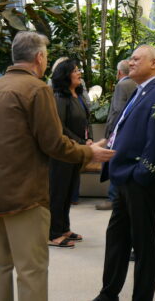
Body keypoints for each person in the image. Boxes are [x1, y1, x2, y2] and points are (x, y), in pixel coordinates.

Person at [0, 31, 114, 301]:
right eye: (46, 56)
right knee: (32, 270)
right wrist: (89, 153)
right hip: (24, 196)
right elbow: (55, 144)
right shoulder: (37, 90)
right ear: (39, 58)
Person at [92, 45, 155, 301]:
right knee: (116, 239)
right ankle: (109, 293)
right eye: (130, 58)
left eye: (136, 59)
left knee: (143, 246)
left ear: (154, 63)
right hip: (123, 178)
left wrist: (140, 175)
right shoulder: (140, 90)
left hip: (138, 181)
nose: (131, 62)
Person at [48, 58, 92, 248]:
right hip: (64, 152)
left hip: (77, 150)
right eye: (75, 70)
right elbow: (60, 127)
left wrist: (89, 137)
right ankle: (53, 233)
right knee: (58, 193)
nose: (79, 72)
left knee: (69, 192)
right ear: (66, 75)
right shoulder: (60, 97)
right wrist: (82, 142)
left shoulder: (79, 95)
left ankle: (64, 228)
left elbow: (86, 120)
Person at [95, 59, 137, 211]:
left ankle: (113, 198)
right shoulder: (136, 83)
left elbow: (117, 110)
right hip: (131, 132)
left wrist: (110, 132)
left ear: (119, 72)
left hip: (118, 132)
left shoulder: (122, 84)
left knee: (113, 163)